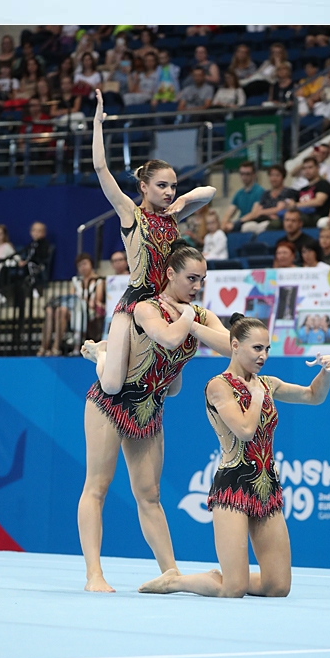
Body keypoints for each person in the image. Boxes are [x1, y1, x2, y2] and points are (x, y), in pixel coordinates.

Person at [78, 242, 230, 592]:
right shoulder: (147, 308)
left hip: (150, 407)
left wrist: (193, 318)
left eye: (202, 280)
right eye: (191, 278)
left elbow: (229, 346)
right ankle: (94, 576)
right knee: (97, 487)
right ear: (170, 274)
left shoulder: (200, 315)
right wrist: (188, 318)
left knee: (150, 494)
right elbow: (168, 336)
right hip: (111, 403)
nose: (197, 286)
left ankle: (171, 573)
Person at [150, 314, 330, 598]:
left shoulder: (268, 383)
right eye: (256, 348)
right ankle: (176, 581)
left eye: (267, 349)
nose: (263, 356)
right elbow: (245, 430)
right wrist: (258, 396)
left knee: (278, 586)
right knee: (233, 589)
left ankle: (220, 576)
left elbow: (313, 396)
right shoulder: (218, 386)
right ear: (235, 345)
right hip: (233, 487)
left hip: (266, 488)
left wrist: (327, 371)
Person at [88, 87, 215, 401]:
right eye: (162, 186)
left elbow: (210, 191)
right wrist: (98, 124)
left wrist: (184, 198)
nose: (169, 191)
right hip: (135, 304)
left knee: (172, 389)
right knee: (113, 385)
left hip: (166, 305)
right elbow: (101, 169)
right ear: (143, 186)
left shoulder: (173, 214)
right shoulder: (130, 214)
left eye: (173, 185)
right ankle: (100, 353)